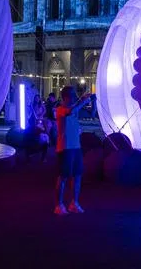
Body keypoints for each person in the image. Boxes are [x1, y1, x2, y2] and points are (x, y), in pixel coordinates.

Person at [54, 86, 93, 215]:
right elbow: (69, 112)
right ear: (65, 97)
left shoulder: (74, 109)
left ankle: (74, 203)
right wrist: (83, 101)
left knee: (77, 176)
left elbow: (91, 114)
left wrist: (93, 102)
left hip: (76, 147)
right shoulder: (60, 110)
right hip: (65, 148)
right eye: (72, 95)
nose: (74, 97)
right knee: (64, 176)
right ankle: (59, 205)